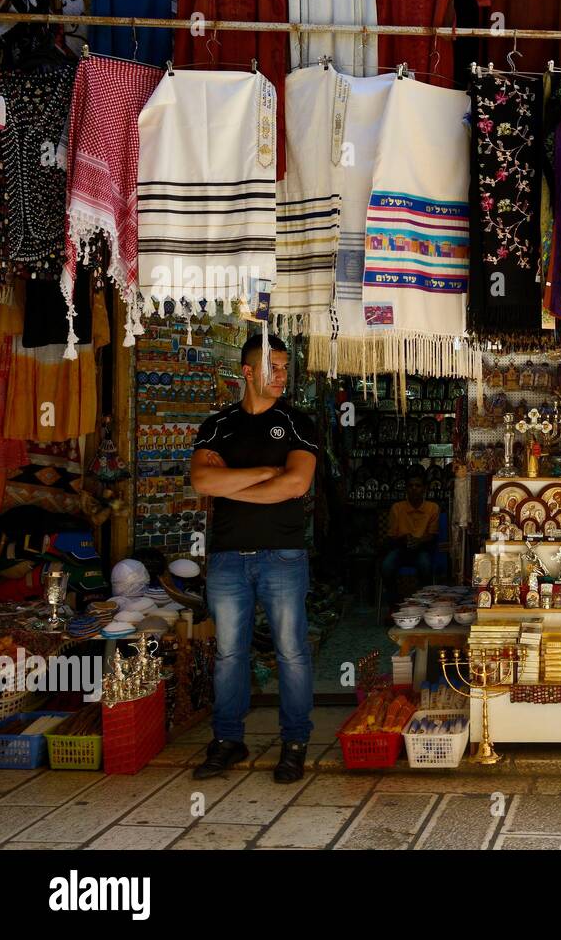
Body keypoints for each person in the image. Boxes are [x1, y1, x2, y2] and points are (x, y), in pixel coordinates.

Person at [188, 333, 321, 784]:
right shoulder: (217, 426)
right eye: (274, 367)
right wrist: (267, 472)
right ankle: (227, 740)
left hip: (282, 556)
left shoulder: (298, 423)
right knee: (228, 653)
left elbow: (296, 485)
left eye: (285, 367)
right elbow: (204, 482)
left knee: (291, 651)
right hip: (227, 557)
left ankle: (295, 741)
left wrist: (237, 485)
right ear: (247, 371)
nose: (282, 375)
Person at [382, 468, 441, 602]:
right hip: (401, 549)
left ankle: (423, 602)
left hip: (422, 549)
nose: (414, 489)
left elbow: (432, 535)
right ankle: (394, 603)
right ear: (406, 489)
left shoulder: (433, 508)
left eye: (418, 486)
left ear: (424, 489)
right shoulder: (397, 508)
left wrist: (419, 541)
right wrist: (403, 539)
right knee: (386, 566)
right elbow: (391, 536)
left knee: (425, 565)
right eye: (410, 486)